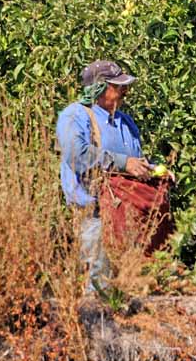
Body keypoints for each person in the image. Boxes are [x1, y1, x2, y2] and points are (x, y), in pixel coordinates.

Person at [56, 60, 156, 293]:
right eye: (118, 87)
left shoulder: (126, 122)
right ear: (99, 88)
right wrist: (123, 163)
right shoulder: (75, 116)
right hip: (94, 217)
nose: (125, 92)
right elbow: (77, 155)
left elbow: (134, 163)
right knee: (99, 288)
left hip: (128, 216)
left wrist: (155, 171)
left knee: (129, 287)